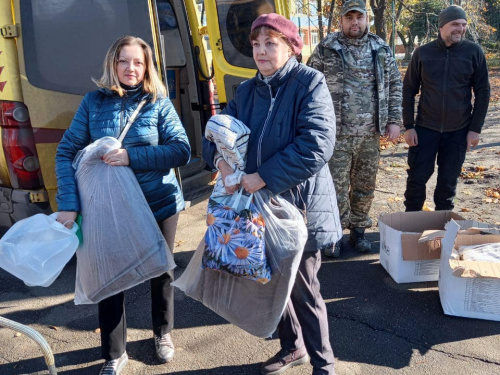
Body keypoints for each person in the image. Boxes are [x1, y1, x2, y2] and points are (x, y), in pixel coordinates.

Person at [203, 13, 341, 375]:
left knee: (304, 288)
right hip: (256, 208)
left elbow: (316, 145)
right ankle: (291, 346)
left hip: (299, 207)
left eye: (270, 43)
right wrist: (221, 163)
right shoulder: (247, 91)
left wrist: (262, 176)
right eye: (256, 44)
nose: (261, 52)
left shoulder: (309, 82)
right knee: (270, 282)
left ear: (292, 47)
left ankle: (324, 364)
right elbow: (215, 135)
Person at [55, 36, 190, 375]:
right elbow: (66, 153)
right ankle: (115, 352)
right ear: (112, 65)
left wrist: (132, 157)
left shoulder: (158, 102)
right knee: (110, 277)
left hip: (158, 203)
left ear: (147, 68)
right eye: (123, 61)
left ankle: (163, 333)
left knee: (161, 272)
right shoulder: (92, 103)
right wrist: (68, 204)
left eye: (138, 62)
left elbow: (181, 150)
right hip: (109, 208)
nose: (131, 68)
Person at [307, 0, 402, 258]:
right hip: (334, 135)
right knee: (334, 189)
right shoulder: (326, 48)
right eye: (349, 18)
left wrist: (394, 121)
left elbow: (394, 86)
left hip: (369, 134)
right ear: (341, 20)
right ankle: (333, 236)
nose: (354, 23)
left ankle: (358, 232)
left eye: (359, 17)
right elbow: (308, 87)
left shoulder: (380, 48)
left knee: (364, 186)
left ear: (366, 19)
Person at [402, 5, 490, 212]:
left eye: (463, 25)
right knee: (416, 180)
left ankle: (442, 233)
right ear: (442, 27)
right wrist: (409, 126)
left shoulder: (473, 52)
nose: (460, 29)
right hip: (424, 129)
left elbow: (483, 92)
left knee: (447, 185)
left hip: (458, 131)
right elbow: (408, 90)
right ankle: (411, 228)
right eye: (455, 24)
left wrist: (474, 129)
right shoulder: (423, 53)